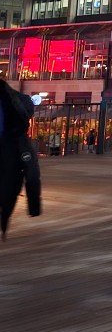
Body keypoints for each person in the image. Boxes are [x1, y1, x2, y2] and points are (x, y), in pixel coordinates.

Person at [0, 79, 40, 240]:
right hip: (13, 156)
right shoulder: (13, 99)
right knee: (8, 194)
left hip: (10, 154)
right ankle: (4, 223)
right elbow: (32, 172)